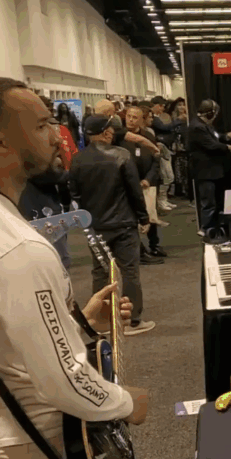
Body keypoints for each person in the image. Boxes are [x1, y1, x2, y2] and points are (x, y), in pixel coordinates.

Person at [0, 74, 149, 459]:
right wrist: (128, 402)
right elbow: (61, 380)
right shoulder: (20, 249)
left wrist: (79, 325)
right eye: (42, 124)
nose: (56, 136)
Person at [69, 115, 157, 335]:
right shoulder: (121, 155)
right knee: (129, 271)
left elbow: (74, 194)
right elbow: (134, 192)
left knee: (100, 271)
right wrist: (143, 218)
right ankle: (132, 321)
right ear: (107, 132)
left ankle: (101, 320)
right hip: (124, 223)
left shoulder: (78, 159)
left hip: (94, 225)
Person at [188, 99, 231, 238]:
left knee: (213, 201)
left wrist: (228, 136)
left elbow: (216, 138)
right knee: (209, 203)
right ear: (211, 114)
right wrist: (229, 147)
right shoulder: (197, 127)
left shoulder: (205, 125)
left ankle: (212, 228)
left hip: (211, 171)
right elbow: (211, 145)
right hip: (206, 172)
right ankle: (206, 229)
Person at [121, 105, 167, 261]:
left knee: (151, 215)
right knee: (133, 219)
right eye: (129, 116)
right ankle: (140, 251)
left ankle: (155, 246)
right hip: (128, 184)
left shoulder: (148, 136)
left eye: (135, 117)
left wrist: (148, 179)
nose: (131, 120)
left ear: (141, 120)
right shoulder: (120, 137)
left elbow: (156, 160)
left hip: (148, 182)